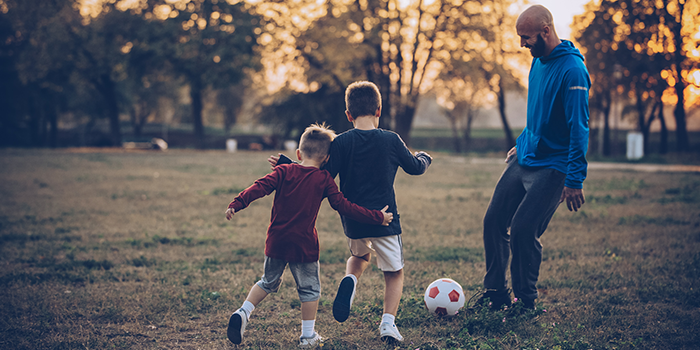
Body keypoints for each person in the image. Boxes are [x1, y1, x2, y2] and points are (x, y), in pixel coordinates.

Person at [270, 81, 432, 342]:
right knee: (394, 272)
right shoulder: (391, 139)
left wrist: (289, 165)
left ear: (348, 115)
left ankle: (351, 280)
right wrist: (425, 157)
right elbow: (414, 167)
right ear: (378, 110)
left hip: (353, 219)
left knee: (360, 256)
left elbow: (319, 176)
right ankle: (388, 324)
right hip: (385, 219)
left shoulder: (341, 143)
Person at [225, 123, 394, 348]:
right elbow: (345, 206)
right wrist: (377, 217)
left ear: (298, 153)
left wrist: (237, 203)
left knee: (267, 282)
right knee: (309, 289)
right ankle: (307, 336)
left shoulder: (283, 171)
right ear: (327, 159)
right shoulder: (324, 179)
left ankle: (244, 311)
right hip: (303, 245)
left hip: (276, 240)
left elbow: (260, 187)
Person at [478, 4, 590, 311]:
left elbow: (578, 128)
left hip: (554, 165)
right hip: (527, 155)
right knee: (493, 221)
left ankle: (524, 302)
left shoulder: (573, 71)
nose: (522, 44)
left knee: (524, 229)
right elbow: (540, 110)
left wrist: (574, 179)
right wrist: (524, 141)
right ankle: (496, 294)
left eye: (526, 37)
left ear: (546, 31)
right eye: (519, 37)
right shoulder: (538, 61)